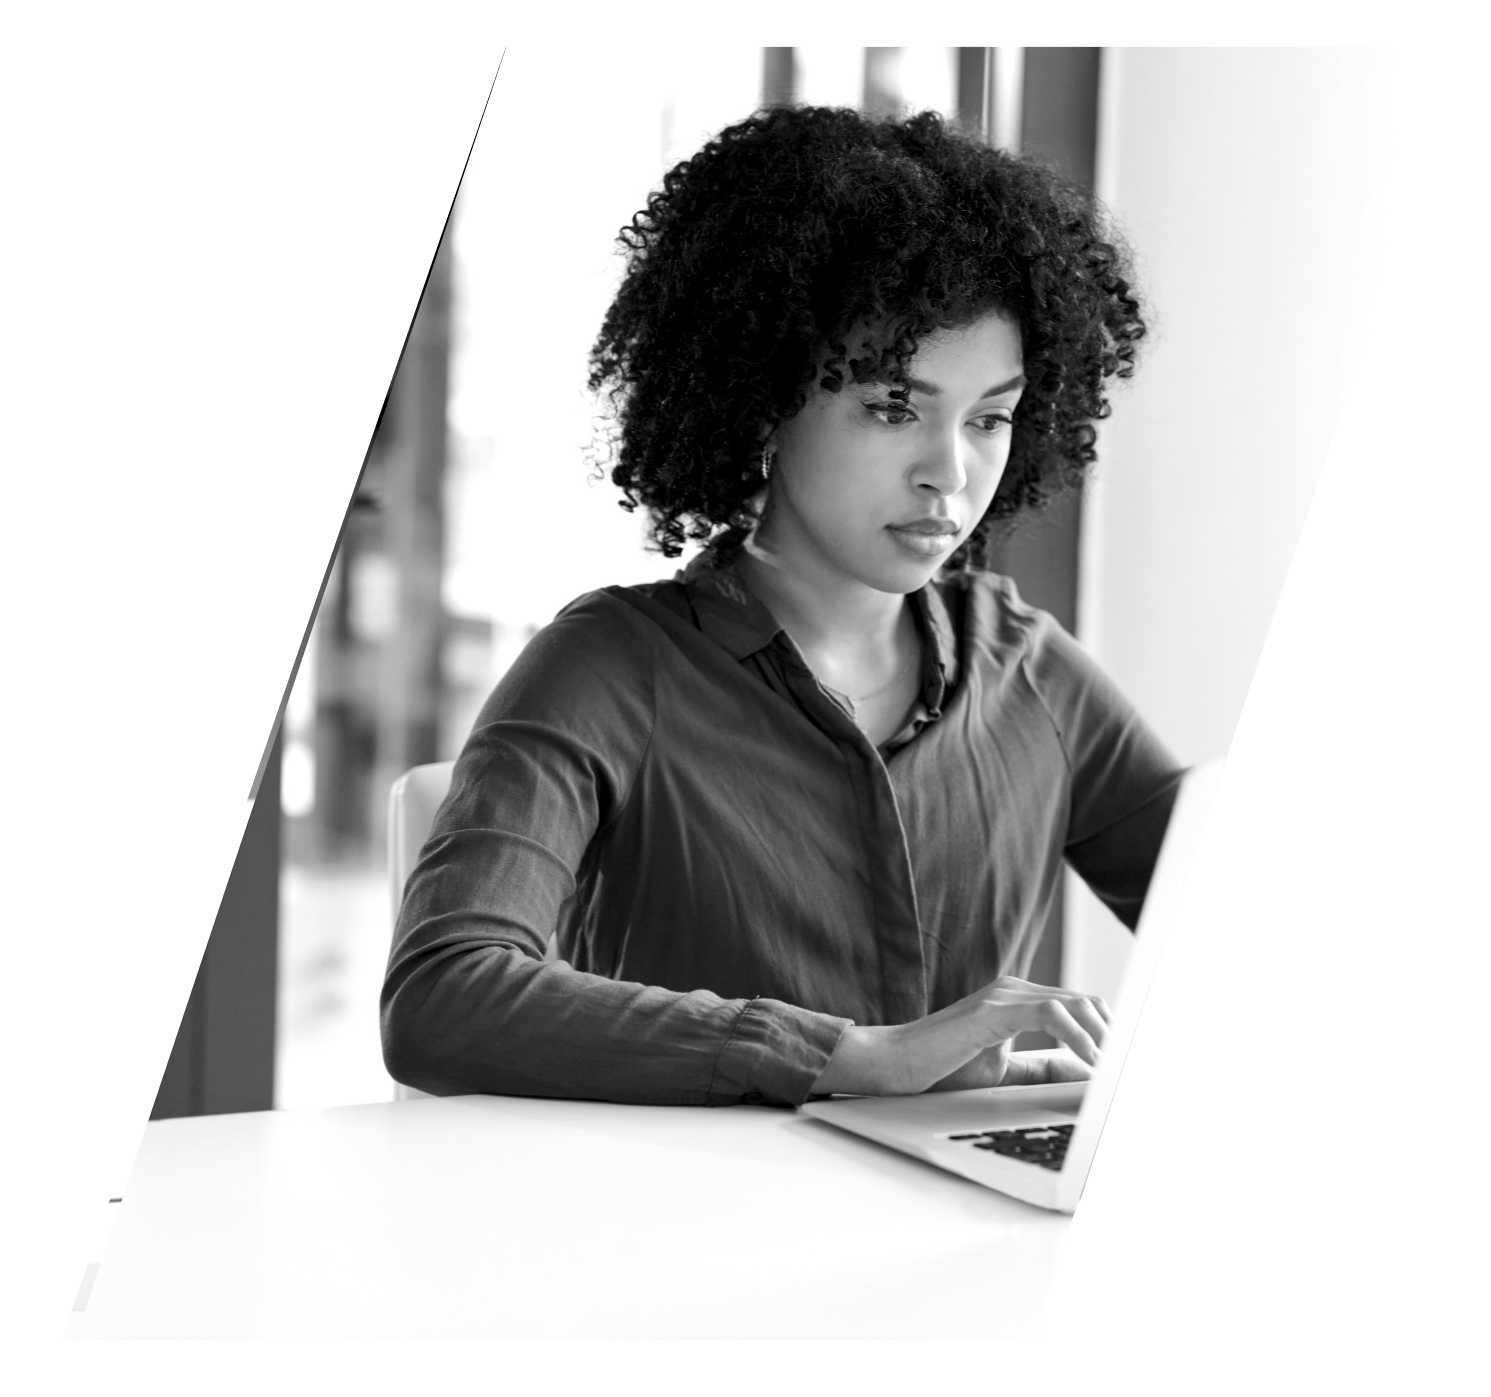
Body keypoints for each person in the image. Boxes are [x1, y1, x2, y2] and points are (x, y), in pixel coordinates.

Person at [382, 104, 1184, 1107]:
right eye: (894, 407)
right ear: (764, 398)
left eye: (990, 418)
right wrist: (848, 1056)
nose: (951, 471)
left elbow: (1244, 939)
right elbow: (443, 995)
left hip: (970, 1240)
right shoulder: (609, 668)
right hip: (669, 1235)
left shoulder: (1032, 670)